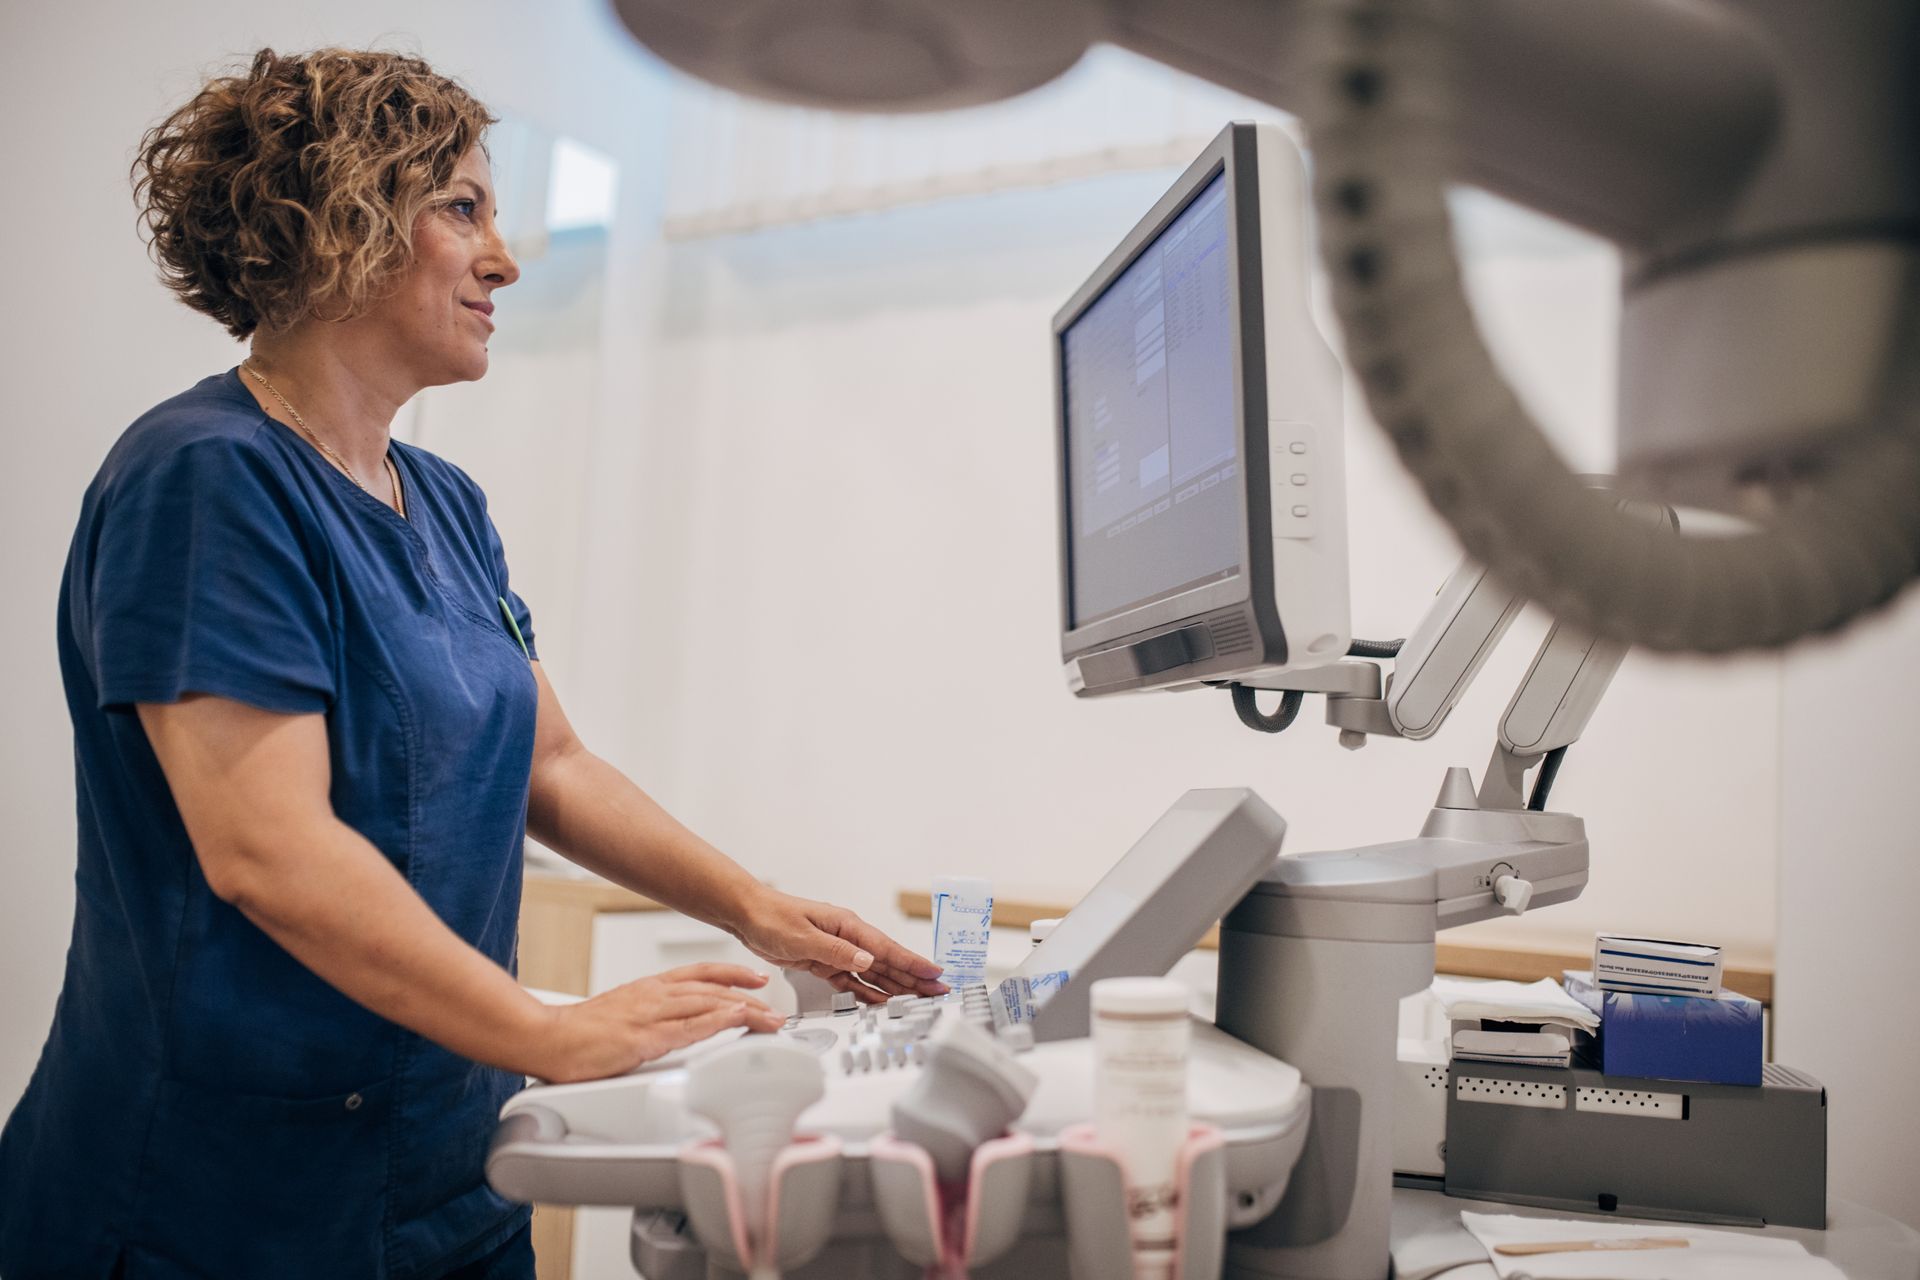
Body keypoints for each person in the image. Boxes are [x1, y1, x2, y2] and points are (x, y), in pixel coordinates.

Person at [0, 47, 944, 1279]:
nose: (506, 257)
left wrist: (755, 906)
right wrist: (548, 1029)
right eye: (464, 208)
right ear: (336, 218)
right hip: (224, 1202)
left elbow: (549, 759)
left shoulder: (443, 501)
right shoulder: (205, 475)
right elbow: (266, 848)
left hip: (454, 1172)